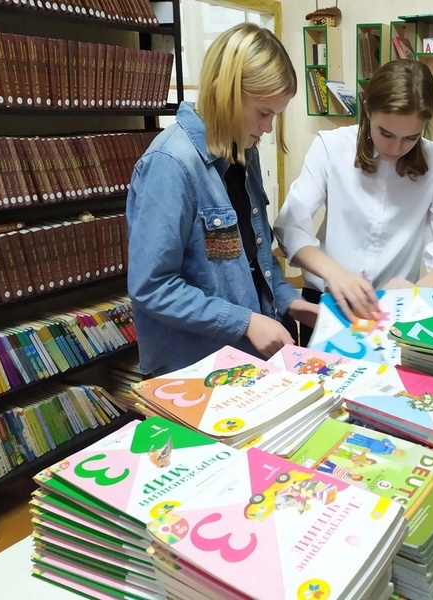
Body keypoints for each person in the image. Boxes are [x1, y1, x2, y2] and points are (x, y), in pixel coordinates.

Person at [126, 23, 317, 377]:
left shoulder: (244, 153)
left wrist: (291, 301)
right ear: (222, 93)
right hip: (194, 369)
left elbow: (255, 257)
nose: (268, 128)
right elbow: (152, 287)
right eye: (263, 113)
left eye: (275, 115)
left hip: (248, 363)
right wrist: (245, 322)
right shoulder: (171, 163)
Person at [274, 59, 433, 342]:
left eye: (411, 137)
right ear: (367, 110)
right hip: (327, 300)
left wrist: (421, 288)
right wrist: (335, 274)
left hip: (394, 308)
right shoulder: (332, 146)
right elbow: (290, 226)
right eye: (385, 133)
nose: (396, 148)